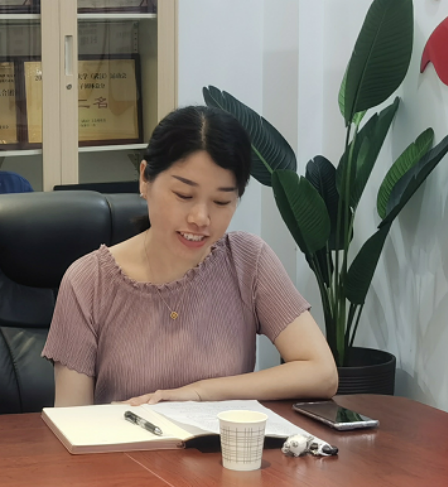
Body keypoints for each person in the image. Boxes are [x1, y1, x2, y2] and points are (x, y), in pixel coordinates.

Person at [42, 105, 338, 407]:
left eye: (221, 201)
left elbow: (322, 372)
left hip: (223, 439)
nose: (201, 218)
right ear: (145, 178)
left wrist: (200, 392)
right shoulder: (88, 281)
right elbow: (71, 420)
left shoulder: (249, 260)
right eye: (184, 195)